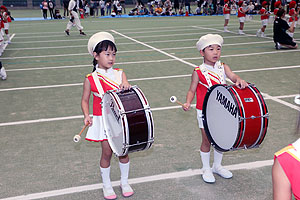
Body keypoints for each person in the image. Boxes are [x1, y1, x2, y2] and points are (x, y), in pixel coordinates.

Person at [182, 34, 248, 184]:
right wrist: (187, 102)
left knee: (221, 139)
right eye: (211, 49)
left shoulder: (223, 67)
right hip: (204, 111)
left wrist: (239, 80)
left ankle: (217, 166)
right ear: (202, 52)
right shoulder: (198, 71)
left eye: (218, 49)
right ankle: (206, 168)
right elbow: (192, 90)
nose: (215, 52)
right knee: (207, 140)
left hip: (223, 109)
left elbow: (232, 76)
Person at [81, 32, 133, 200]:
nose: (111, 58)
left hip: (119, 120)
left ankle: (124, 182)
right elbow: (84, 100)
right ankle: (107, 185)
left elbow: (126, 86)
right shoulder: (91, 79)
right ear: (96, 56)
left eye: (114, 54)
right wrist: (86, 115)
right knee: (107, 153)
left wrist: (126, 84)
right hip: (102, 120)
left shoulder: (120, 73)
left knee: (123, 152)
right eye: (107, 54)